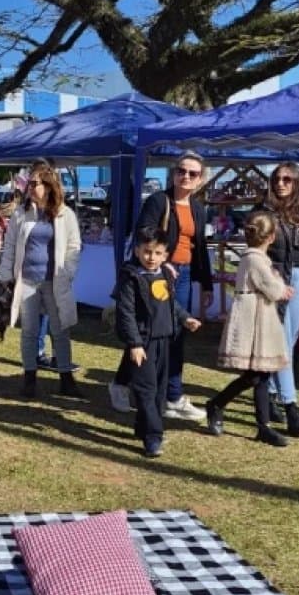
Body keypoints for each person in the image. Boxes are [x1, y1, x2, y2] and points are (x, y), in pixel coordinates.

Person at [109, 151, 212, 420]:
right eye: (181, 171)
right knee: (148, 333)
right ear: (173, 173)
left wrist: (207, 284)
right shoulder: (159, 201)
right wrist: (162, 262)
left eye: (192, 173)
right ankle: (122, 384)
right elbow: (144, 233)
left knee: (175, 334)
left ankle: (172, 396)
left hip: (184, 274)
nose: (185, 176)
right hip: (157, 272)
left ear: (201, 179)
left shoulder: (198, 209)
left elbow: (200, 247)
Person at [205, 212, 295, 447]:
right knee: (256, 375)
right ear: (272, 237)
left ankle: (259, 424)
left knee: (260, 375)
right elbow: (272, 288)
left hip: (259, 316)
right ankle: (219, 405)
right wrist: (282, 287)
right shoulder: (256, 260)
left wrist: (277, 283)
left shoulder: (256, 259)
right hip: (255, 318)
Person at [113, 226, 201, 458]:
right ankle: (153, 437)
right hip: (143, 343)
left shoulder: (165, 275)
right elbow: (126, 312)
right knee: (146, 389)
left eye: (157, 253)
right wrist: (135, 343)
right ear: (137, 251)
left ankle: (142, 428)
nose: (151, 257)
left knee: (159, 391)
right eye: (147, 251)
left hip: (165, 341)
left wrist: (185, 318)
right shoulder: (131, 277)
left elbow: (171, 304)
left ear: (165, 255)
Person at [0, 162, 83, 399]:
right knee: (29, 331)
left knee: (60, 329)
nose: (29, 188)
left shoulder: (65, 214)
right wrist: (5, 276)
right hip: (27, 280)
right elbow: (10, 246)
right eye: (29, 183)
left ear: (48, 185)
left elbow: (74, 247)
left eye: (34, 183)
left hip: (55, 281)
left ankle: (66, 378)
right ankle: (29, 378)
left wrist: (67, 272)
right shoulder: (21, 213)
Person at [252, 162, 299, 437]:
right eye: (277, 178)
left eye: (287, 179)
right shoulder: (263, 210)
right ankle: (291, 407)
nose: (280, 183)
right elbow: (255, 248)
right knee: (282, 345)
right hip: (275, 276)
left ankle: (272, 395)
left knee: (291, 340)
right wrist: (270, 277)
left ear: (297, 182)